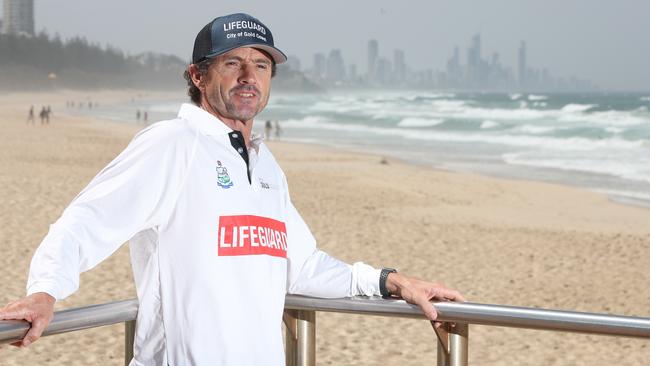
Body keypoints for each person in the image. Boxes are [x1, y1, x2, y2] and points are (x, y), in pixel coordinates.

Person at [0, 13, 464, 365]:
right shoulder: (173, 143)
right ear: (198, 76)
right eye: (232, 63)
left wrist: (391, 280)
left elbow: (300, 266)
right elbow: (86, 221)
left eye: (260, 65)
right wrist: (45, 292)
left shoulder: (265, 164)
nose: (249, 76)